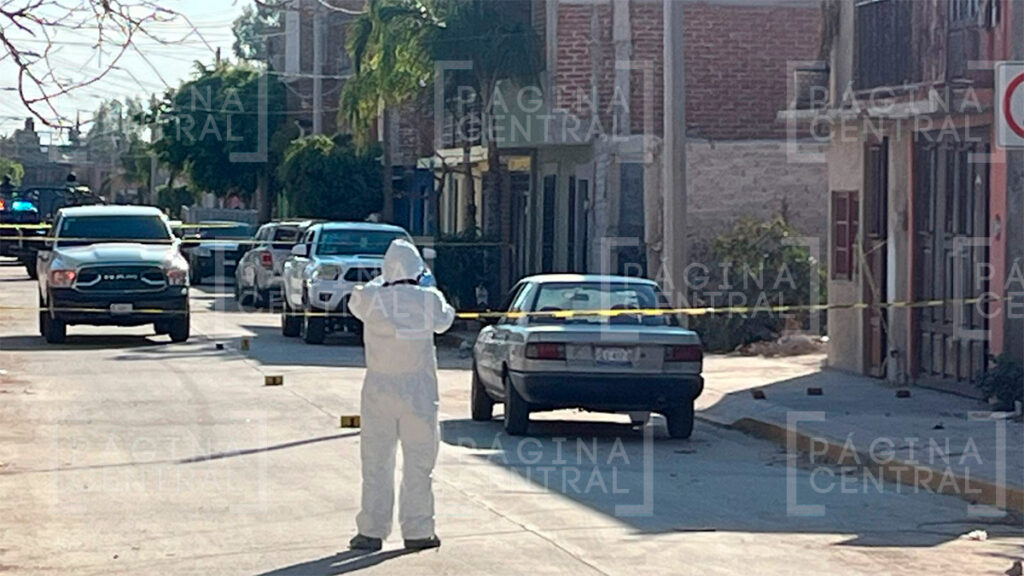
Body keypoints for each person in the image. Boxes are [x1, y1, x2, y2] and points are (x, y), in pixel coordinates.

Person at [347, 239, 455, 552]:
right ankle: (419, 530)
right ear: (418, 269)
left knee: (376, 461)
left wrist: (385, 279)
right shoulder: (429, 299)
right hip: (418, 392)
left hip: (379, 389)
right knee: (420, 462)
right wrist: (421, 284)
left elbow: (357, 300)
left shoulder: (370, 297)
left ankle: (371, 531)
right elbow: (445, 321)